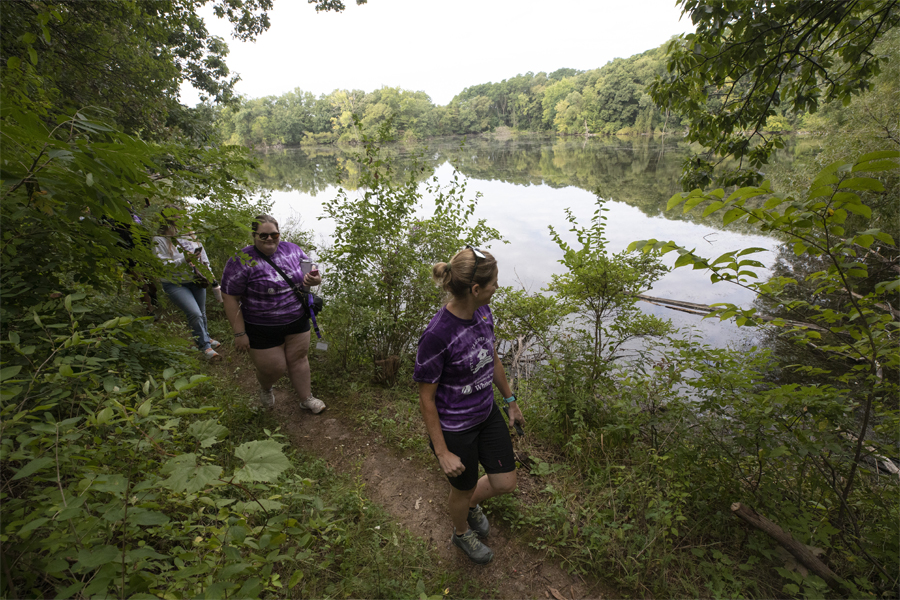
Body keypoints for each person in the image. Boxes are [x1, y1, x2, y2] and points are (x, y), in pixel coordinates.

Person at [414, 246, 525, 565]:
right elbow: (426, 398)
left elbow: (492, 358)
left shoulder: (484, 312)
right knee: (460, 491)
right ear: (476, 289)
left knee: (505, 482)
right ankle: (461, 532)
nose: (497, 288)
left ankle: (470, 505)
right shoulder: (437, 335)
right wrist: (442, 451)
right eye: (494, 283)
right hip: (454, 430)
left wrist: (510, 401)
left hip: (486, 412)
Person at [220, 214, 326, 413]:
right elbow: (229, 297)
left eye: (274, 234)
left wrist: (315, 278)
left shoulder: (292, 249)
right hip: (261, 326)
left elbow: (311, 269)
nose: (269, 238)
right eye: (263, 235)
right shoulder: (240, 260)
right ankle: (266, 387)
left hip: (297, 319)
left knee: (299, 358)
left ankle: (306, 398)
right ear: (254, 236)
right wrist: (239, 333)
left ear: (279, 234)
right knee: (274, 368)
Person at [153, 206, 221, 360]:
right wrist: (185, 259)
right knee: (194, 313)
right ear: (168, 220)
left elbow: (203, 257)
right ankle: (204, 347)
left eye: (182, 217)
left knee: (201, 313)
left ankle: (206, 338)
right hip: (175, 283)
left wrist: (210, 275)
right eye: (177, 218)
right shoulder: (159, 240)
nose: (181, 221)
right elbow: (162, 265)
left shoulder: (190, 235)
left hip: (195, 280)